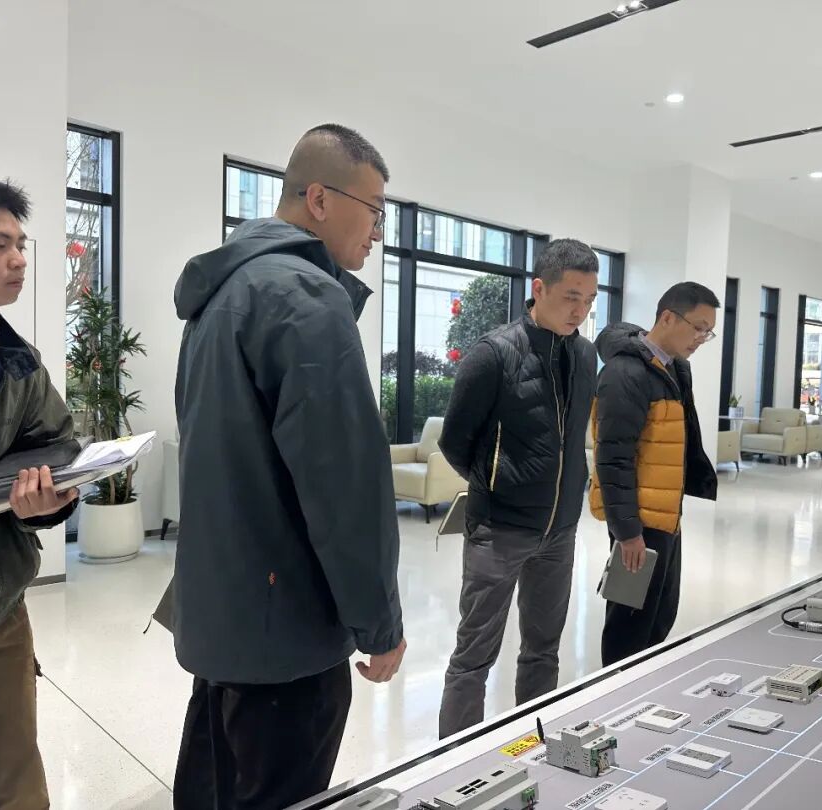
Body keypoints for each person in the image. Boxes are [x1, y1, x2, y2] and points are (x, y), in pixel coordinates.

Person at [172, 125, 406, 809]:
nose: (378, 232)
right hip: (287, 634)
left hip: (226, 614)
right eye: (374, 211)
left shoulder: (222, 293)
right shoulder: (305, 299)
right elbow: (346, 488)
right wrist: (380, 622)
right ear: (320, 199)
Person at [436, 239, 599, 738]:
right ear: (539, 289)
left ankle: (532, 746)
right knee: (474, 656)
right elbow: (455, 442)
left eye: (589, 300)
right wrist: (497, 485)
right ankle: (454, 760)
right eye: (571, 297)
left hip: (559, 531)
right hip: (499, 530)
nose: (580, 310)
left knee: (543, 651)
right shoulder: (494, 354)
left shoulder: (585, 355)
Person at [0, 179, 80, 810]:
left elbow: (58, 448)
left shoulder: (19, 364)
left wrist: (53, 503)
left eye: (21, 244)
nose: (19, 260)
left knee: (15, 780)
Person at [591, 281, 719, 668]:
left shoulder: (674, 368)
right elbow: (612, 458)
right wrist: (627, 532)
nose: (701, 339)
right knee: (628, 625)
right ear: (667, 317)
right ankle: (616, 695)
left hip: (666, 516)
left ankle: (644, 693)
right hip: (638, 523)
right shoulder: (624, 373)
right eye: (698, 327)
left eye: (708, 332)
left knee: (660, 616)